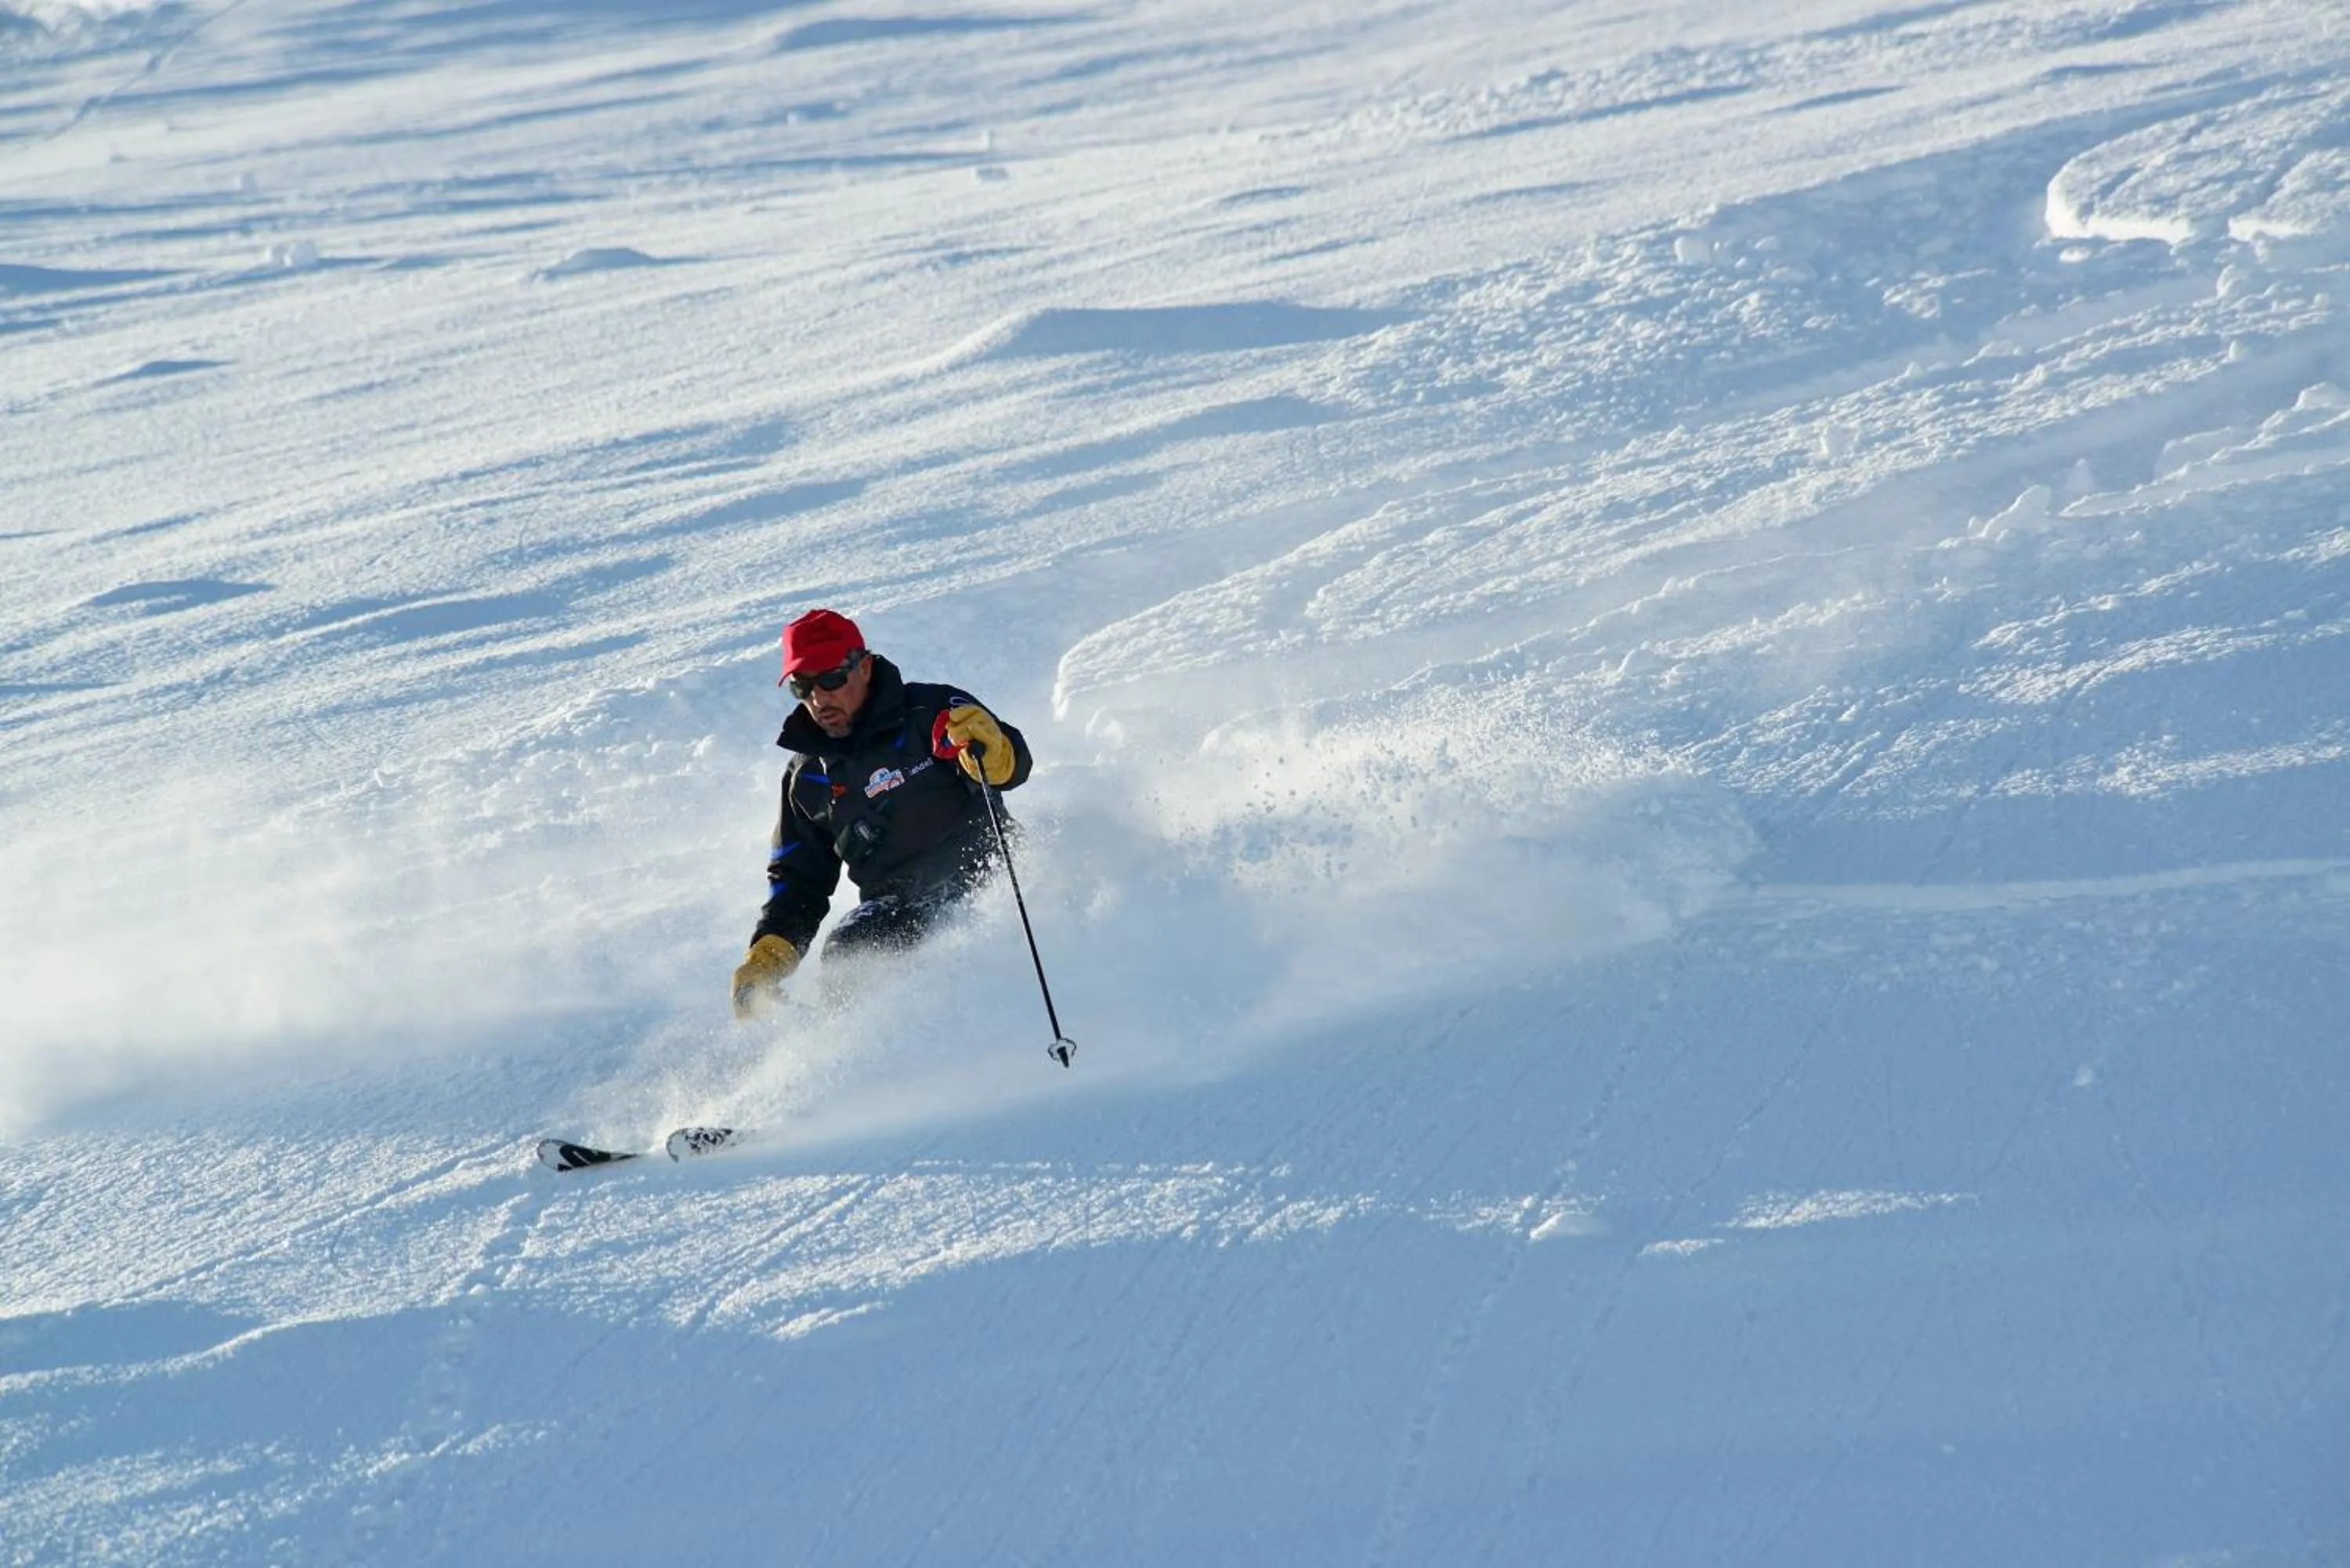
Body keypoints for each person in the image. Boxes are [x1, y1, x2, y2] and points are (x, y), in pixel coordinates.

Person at [730, 608, 1032, 1018]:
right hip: (901, 910)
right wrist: (767, 955)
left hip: (989, 875)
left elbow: (1014, 766)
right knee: (851, 950)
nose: (819, 698)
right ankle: (857, 1049)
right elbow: (799, 881)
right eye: (802, 686)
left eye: (832, 679)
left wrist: (994, 753)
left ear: (865, 667)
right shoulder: (808, 779)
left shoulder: (933, 713)